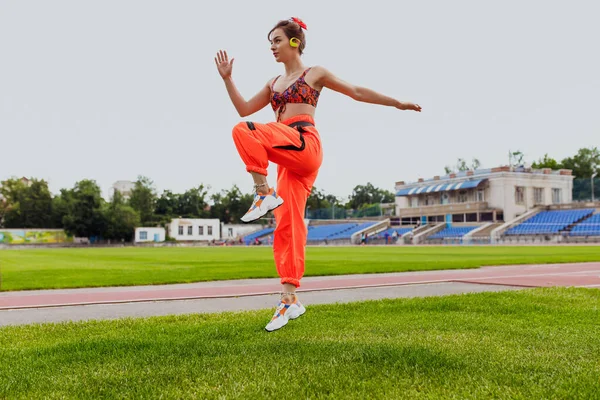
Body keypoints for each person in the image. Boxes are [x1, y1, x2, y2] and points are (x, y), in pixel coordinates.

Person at [215, 17, 421, 332]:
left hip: (304, 144)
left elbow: (356, 91)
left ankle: (263, 192)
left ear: (294, 42)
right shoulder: (273, 84)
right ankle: (290, 298)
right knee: (287, 224)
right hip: (286, 156)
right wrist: (228, 79)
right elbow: (244, 107)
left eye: (277, 40)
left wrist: (396, 103)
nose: (272, 47)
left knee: (245, 132)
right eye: (270, 42)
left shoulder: (315, 74)